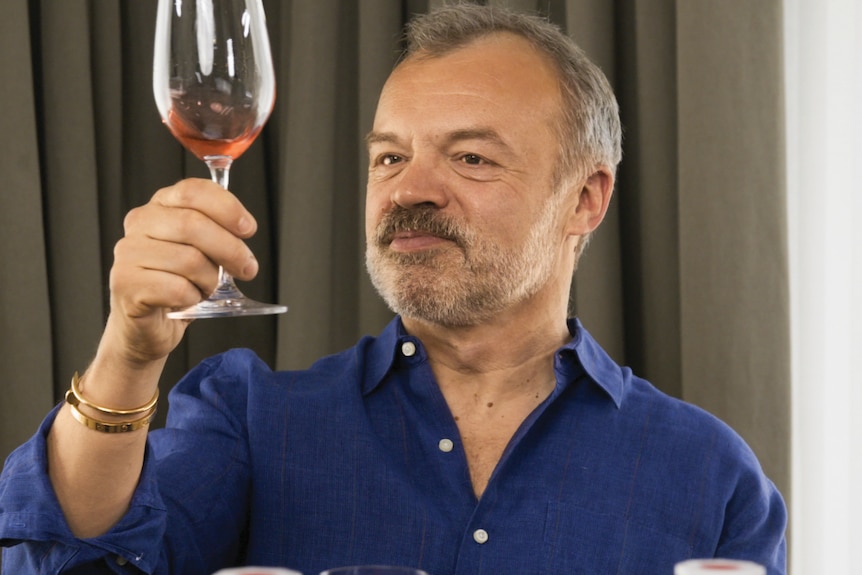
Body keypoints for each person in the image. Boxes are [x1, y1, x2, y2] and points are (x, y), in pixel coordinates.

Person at [0, 4, 786, 574]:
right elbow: (70, 559)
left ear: (585, 199)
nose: (411, 190)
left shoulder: (711, 474)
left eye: (471, 158)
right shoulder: (249, 420)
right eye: (388, 158)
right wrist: (128, 351)